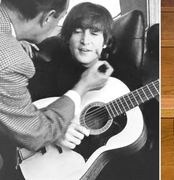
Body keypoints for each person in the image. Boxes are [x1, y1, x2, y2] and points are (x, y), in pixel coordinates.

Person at [0, 0, 113, 179]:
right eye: (77, 31)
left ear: (106, 41)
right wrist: (57, 131)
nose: (85, 40)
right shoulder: (18, 61)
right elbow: (33, 130)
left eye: (95, 33)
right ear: (48, 17)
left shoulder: (122, 76)